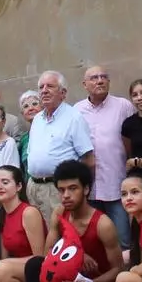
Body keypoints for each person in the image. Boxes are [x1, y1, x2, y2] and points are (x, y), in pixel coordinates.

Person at [19, 160, 123, 282]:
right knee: (35, 264)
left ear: (86, 189)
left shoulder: (103, 224)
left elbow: (117, 269)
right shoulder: (60, 213)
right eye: (61, 190)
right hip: (66, 278)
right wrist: (78, 255)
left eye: (72, 189)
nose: (66, 195)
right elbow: (47, 253)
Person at [73, 65, 134, 248]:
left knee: (123, 240)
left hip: (117, 185)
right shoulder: (76, 110)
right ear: (84, 84)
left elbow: (133, 139)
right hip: (90, 188)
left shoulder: (123, 106)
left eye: (103, 77)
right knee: (94, 243)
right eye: (94, 78)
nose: (99, 81)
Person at [26, 71, 94, 216]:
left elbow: (89, 159)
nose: (44, 90)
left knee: (61, 228)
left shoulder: (74, 117)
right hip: (34, 187)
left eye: (50, 86)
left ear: (63, 93)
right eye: (41, 87)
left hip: (59, 189)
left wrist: (81, 192)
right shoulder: (37, 119)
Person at [16, 90, 41, 178]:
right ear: (22, 113)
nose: (31, 108)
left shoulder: (52, 131)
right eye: (26, 106)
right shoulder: (24, 139)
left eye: (35, 104)